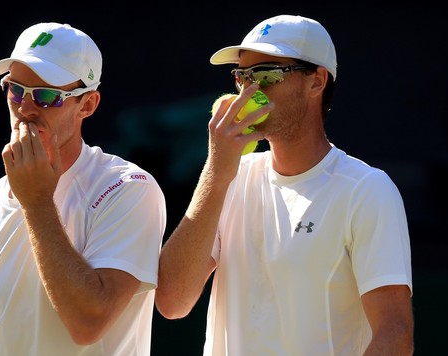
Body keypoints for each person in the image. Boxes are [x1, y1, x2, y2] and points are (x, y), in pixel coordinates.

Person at [155, 14, 414, 355]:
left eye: (265, 75)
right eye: (241, 77)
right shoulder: (227, 178)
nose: (249, 92)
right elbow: (172, 301)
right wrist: (215, 174)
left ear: (316, 82)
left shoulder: (367, 190)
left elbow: (395, 335)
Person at [0, 22, 166, 355]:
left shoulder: (128, 189)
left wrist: (36, 203)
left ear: (87, 105)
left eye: (47, 96)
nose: (25, 108)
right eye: (16, 90)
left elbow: (88, 323)